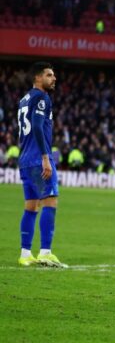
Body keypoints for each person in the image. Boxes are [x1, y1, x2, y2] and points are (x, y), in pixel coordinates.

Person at [17, 62, 66, 268]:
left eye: (53, 75)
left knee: (31, 205)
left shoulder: (24, 99)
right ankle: (45, 252)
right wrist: (46, 158)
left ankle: (25, 254)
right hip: (39, 158)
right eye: (49, 75)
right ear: (38, 78)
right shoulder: (42, 97)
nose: (53, 78)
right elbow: (37, 126)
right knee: (50, 201)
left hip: (25, 159)